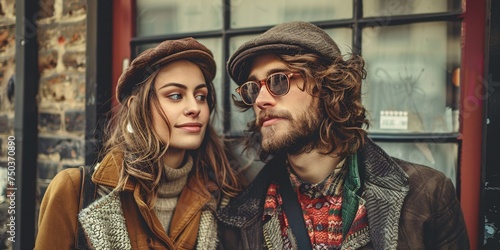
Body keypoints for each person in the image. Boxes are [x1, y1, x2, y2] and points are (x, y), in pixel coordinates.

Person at [217, 21, 469, 250]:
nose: (260, 100)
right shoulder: (239, 219)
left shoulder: (428, 197)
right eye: (252, 88)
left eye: (279, 80)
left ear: (327, 86)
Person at [35, 37, 241, 249]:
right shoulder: (74, 191)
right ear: (136, 107)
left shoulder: (222, 196)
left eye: (200, 96)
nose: (194, 107)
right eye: (176, 95)